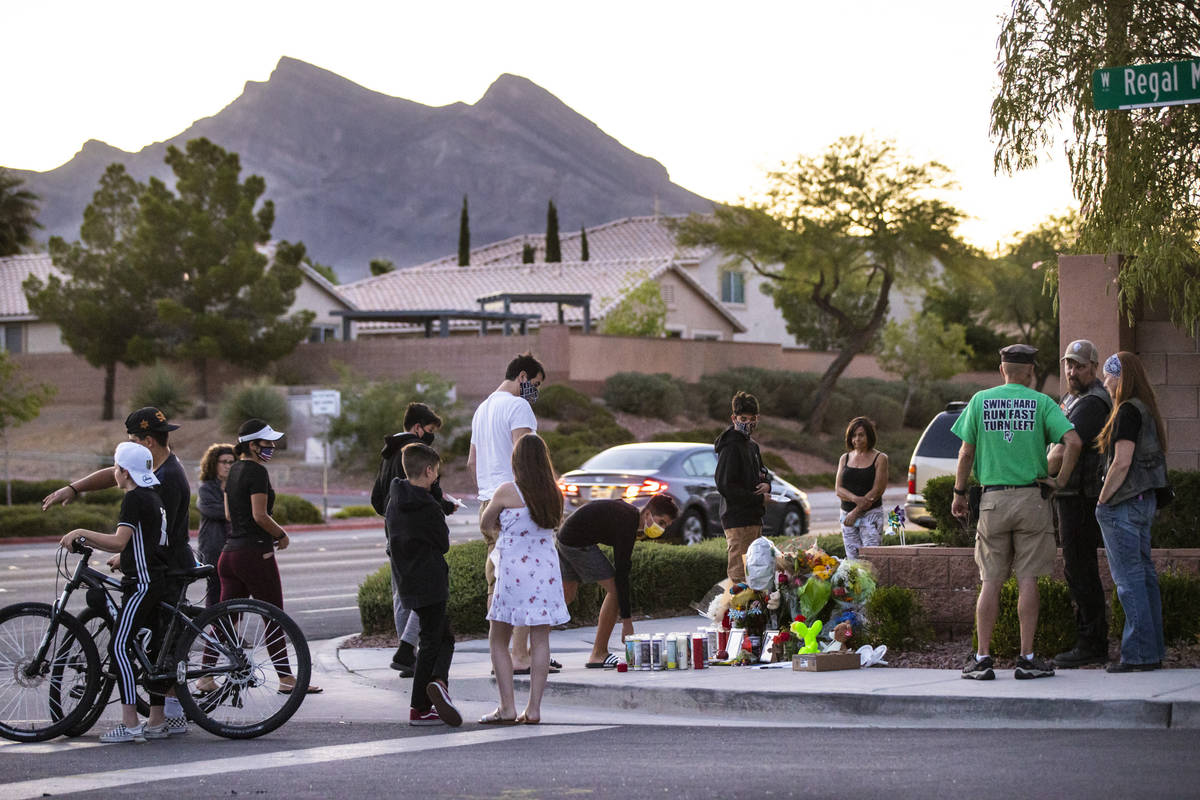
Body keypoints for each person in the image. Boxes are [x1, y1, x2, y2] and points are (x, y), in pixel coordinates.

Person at [42, 406, 194, 734]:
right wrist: (74, 488)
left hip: (164, 568)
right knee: (154, 643)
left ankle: (149, 719)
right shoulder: (153, 475)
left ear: (148, 443)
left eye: (133, 441)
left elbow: (148, 537)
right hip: (154, 564)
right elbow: (125, 490)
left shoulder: (163, 482)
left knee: (153, 645)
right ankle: (160, 719)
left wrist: (118, 550)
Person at [951, 344, 1081, 681]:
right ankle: (1027, 657)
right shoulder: (1041, 402)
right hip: (1031, 500)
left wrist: (959, 493)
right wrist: (1059, 481)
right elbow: (1074, 442)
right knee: (1028, 580)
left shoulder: (980, 401)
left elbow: (966, 454)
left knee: (990, 582)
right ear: (1031, 371)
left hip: (993, 501)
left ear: (1002, 369)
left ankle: (982, 659)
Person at [59, 442, 170, 742]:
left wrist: (81, 532)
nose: (114, 473)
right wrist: (127, 558)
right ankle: (157, 722)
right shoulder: (152, 496)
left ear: (123, 471)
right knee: (151, 648)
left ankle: (131, 723)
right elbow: (145, 542)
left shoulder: (134, 498)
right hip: (154, 578)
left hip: (143, 583)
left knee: (117, 648)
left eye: (116, 467)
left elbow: (120, 540)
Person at [220, 418, 321, 694]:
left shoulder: (233, 471)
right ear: (252, 445)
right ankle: (287, 679)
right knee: (273, 615)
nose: (272, 447)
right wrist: (281, 534)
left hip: (229, 554)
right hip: (255, 553)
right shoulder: (256, 472)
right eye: (267, 443)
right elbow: (260, 515)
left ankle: (206, 674)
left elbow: (229, 515)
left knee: (223, 618)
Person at [479, 434, 569, 725]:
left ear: (516, 461)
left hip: (514, 573)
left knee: (498, 638)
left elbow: (484, 523)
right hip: (546, 571)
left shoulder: (507, 491)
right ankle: (534, 709)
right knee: (540, 639)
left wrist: (498, 526)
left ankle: (506, 706)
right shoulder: (555, 494)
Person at [468, 352, 546, 673]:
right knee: (525, 580)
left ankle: (499, 656)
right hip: (515, 503)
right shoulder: (518, 406)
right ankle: (520, 656)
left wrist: (488, 494)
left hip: (488, 501)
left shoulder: (482, 409)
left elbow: (472, 461)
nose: (536, 392)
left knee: (496, 583)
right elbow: (523, 454)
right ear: (523, 377)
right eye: (536, 384)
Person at [1094, 352, 1169, 673]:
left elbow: (1122, 462)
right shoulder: (1145, 409)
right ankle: (1152, 651)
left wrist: (1102, 500)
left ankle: (1138, 654)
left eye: (1109, 374)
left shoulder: (1126, 412)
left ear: (1120, 377)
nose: (1104, 380)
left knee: (1128, 581)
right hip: (1144, 500)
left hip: (1123, 503)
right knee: (1145, 577)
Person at [371, 402, 457, 676]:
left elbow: (376, 497)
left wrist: (391, 516)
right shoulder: (419, 455)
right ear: (418, 428)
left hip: (393, 534)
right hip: (420, 536)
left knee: (402, 595)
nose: (431, 436)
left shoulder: (388, 452)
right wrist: (444, 507)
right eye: (430, 430)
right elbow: (430, 494)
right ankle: (408, 649)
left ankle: (407, 653)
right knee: (426, 596)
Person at [385, 441, 462, 726]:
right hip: (430, 578)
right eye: (436, 474)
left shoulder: (395, 498)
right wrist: (440, 503)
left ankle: (437, 685)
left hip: (407, 578)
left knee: (440, 636)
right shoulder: (429, 506)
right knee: (435, 640)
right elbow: (443, 544)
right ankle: (421, 704)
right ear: (429, 471)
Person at [1048, 340, 1113, 668]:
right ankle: (1086, 637)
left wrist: (1035, 471)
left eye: (1079, 366)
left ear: (1094, 367)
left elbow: (1059, 452)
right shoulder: (1072, 398)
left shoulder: (1092, 403)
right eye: (1068, 365)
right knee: (1075, 568)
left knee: (1081, 568)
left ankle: (1092, 643)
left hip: (1081, 498)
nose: (1072, 371)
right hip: (1069, 496)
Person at [557, 493, 680, 667]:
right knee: (615, 591)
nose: (661, 529)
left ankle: (534, 653)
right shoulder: (627, 522)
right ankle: (599, 653)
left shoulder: (628, 516)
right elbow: (622, 575)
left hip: (565, 537)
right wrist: (627, 622)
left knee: (566, 596)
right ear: (647, 514)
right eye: (660, 522)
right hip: (577, 543)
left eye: (665, 526)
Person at [714, 391, 770, 583]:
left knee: (755, 574)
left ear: (757, 419)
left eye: (752, 419)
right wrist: (758, 498)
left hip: (754, 518)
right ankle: (732, 613)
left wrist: (767, 484)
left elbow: (763, 471)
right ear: (734, 418)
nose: (747, 423)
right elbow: (725, 485)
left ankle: (751, 613)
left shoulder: (752, 446)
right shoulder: (730, 446)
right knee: (739, 578)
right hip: (737, 519)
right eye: (743, 418)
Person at [835, 416, 889, 560]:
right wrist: (855, 500)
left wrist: (856, 511)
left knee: (870, 559)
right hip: (846, 515)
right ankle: (855, 584)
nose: (857, 439)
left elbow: (877, 490)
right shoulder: (844, 458)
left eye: (861, 435)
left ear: (869, 436)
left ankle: (872, 583)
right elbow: (838, 489)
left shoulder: (880, 458)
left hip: (870, 515)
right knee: (852, 560)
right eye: (853, 435)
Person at [196, 443, 236, 609]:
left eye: (231, 462)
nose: (228, 466)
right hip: (213, 547)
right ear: (214, 464)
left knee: (234, 593)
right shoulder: (207, 489)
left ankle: (227, 632)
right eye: (223, 462)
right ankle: (216, 631)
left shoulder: (237, 486)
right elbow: (215, 511)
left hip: (235, 547)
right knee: (216, 592)